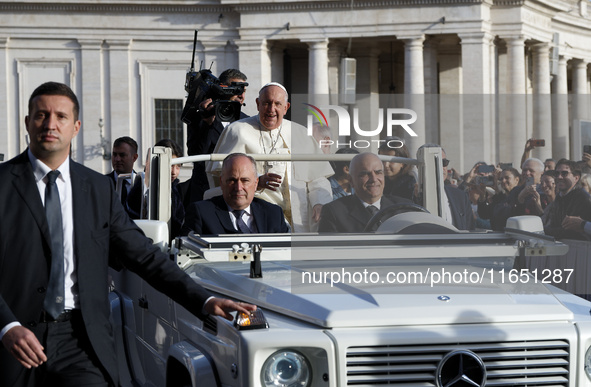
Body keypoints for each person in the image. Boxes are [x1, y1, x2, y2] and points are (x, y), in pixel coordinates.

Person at [0, 81, 255, 387]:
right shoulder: (2, 186)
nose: (50, 124)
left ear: (76, 126)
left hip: (80, 341)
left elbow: (145, 256)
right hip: (11, 341)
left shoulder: (96, 189)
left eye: (61, 116)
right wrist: (6, 325)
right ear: (28, 122)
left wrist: (204, 300)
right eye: (41, 115)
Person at [207, 82, 333, 233]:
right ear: (258, 104)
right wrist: (257, 182)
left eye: (277, 104)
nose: (271, 109)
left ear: (286, 107)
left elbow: (318, 178)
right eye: (266, 103)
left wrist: (320, 203)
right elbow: (222, 176)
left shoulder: (300, 133)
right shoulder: (238, 131)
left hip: (301, 217)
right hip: (259, 216)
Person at [182, 153, 289, 235]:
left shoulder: (274, 214)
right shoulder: (201, 213)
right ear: (221, 182)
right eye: (232, 180)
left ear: (256, 183)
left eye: (245, 180)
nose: (238, 188)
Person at [186, 69, 248, 202]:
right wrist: (208, 124)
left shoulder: (247, 121)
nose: (241, 95)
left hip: (238, 193)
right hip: (206, 192)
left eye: (243, 91)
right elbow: (196, 155)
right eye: (236, 90)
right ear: (222, 89)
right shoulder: (200, 117)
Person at [319, 152, 411, 233]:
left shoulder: (405, 208)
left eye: (378, 172)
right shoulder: (334, 212)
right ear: (351, 181)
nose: (374, 179)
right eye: (365, 174)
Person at [417, 144, 475, 230]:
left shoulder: (460, 197)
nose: (441, 167)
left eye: (444, 162)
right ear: (419, 167)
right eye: (435, 162)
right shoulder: (412, 196)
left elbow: (470, 229)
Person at [544, 159, 591, 240]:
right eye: (556, 173)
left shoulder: (583, 198)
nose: (559, 177)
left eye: (564, 173)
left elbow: (570, 231)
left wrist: (543, 231)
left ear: (576, 178)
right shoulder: (560, 196)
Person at [106, 136, 138, 216]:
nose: (117, 159)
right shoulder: (102, 183)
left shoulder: (142, 184)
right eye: (114, 154)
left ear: (134, 157)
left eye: (122, 155)